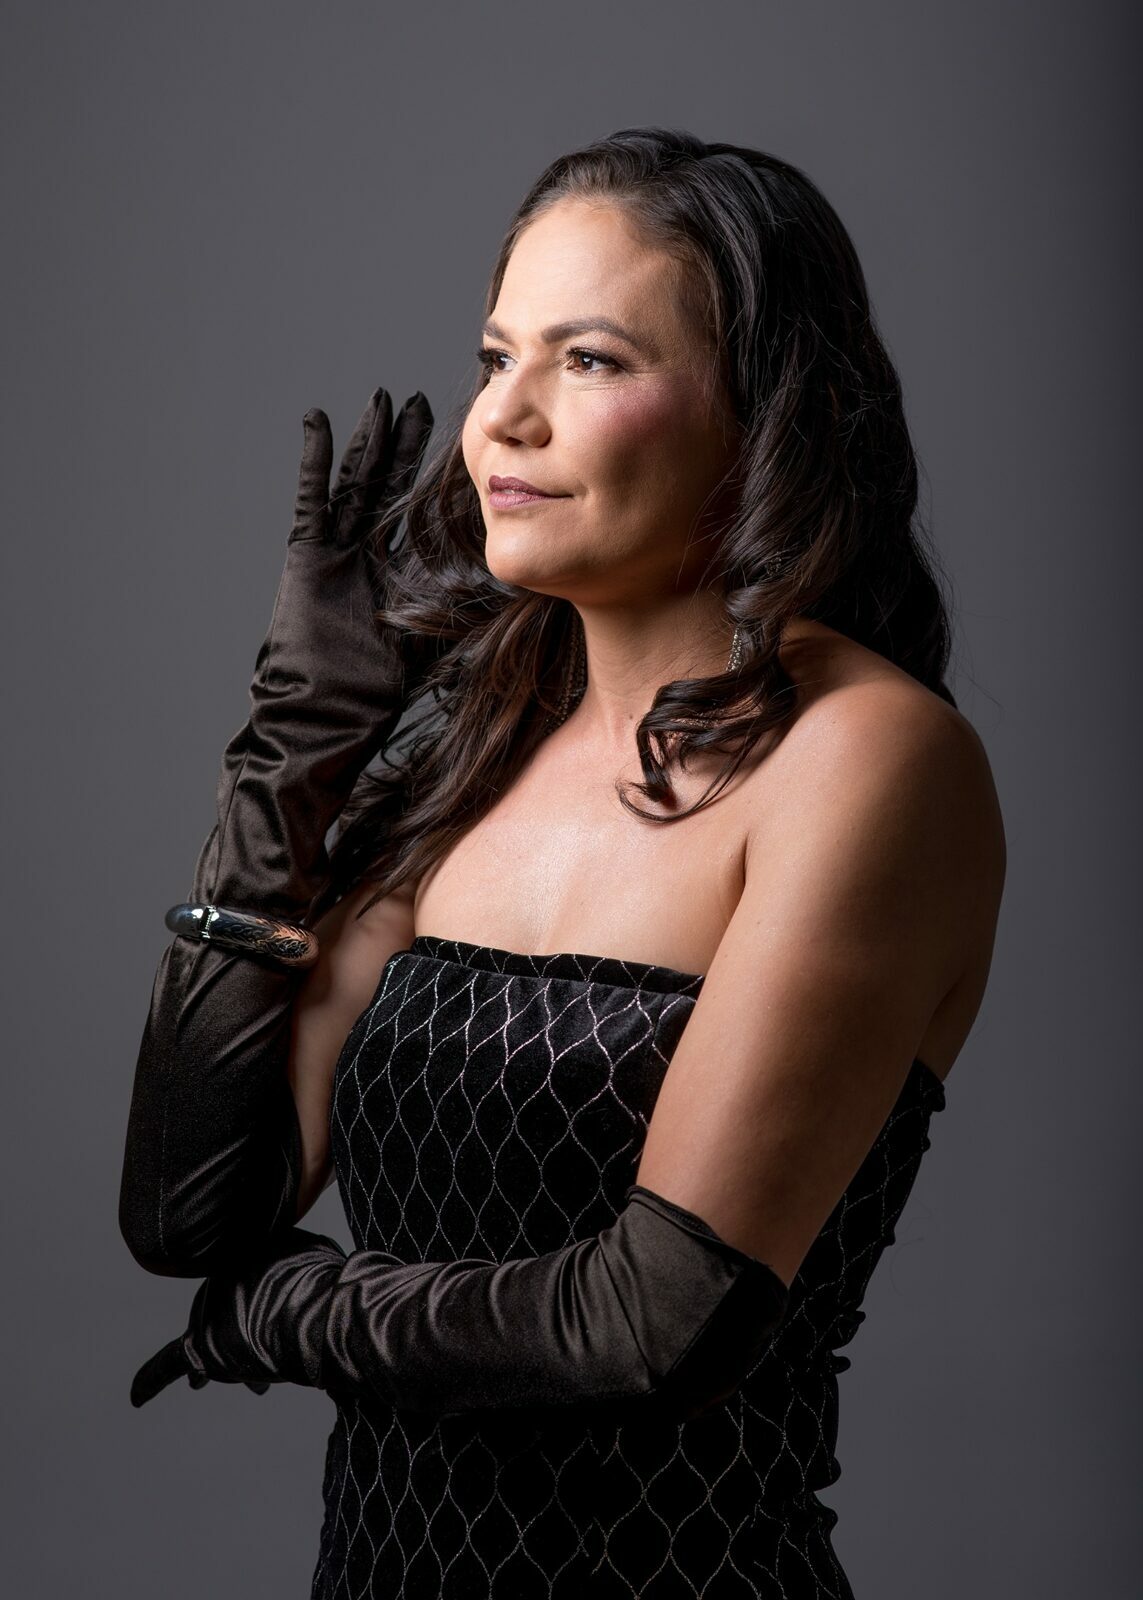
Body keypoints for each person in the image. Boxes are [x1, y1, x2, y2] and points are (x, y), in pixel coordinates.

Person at [119, 125, 1006, 1598]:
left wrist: (284, 1318)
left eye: (589, 360)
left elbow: (655, 1323)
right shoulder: (476, 753)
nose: (502, 421)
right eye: (495, 357)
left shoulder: (868, 759)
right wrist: (292, 746)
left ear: (764, 416)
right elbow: (190, 1210)